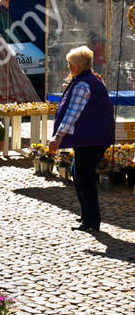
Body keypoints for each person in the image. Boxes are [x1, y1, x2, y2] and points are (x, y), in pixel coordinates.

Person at [48, 45, 115, 234]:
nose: (68, 66)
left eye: (70, 63)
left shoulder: (84, 84)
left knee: (83, 176)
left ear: (78, 65)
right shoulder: (87, 80)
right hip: (91, 137)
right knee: (77, 171)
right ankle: (87, 215)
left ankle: (92, 220)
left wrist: (58, 138)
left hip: (92, 138)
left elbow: (72, 114)